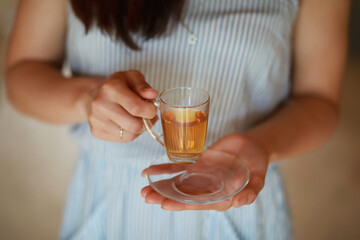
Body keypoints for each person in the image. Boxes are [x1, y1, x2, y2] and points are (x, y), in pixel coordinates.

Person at [5, 0, 349, 239]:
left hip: (238, 198)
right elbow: (21, 74)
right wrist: (87, 98)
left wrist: (261, 145)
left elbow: (318, 101)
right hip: (109, 202)